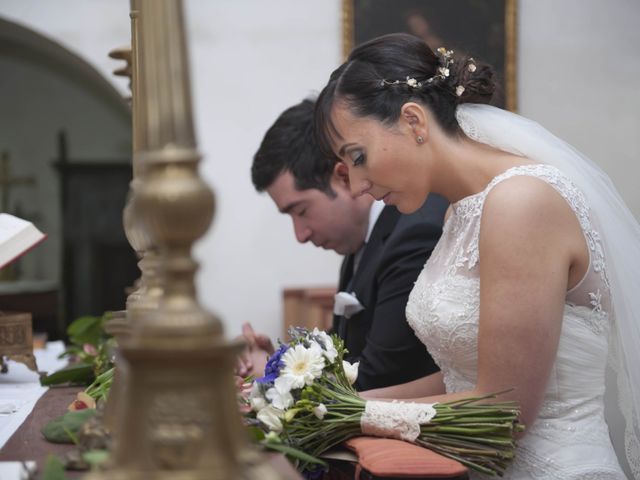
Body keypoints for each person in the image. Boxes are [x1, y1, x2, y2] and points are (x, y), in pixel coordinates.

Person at [314, 33, 639, 479]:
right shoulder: (461, 211)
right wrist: (340, 403)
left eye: (357, 156)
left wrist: (349, 417)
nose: (356, 187)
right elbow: (465, 377)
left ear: (413, 121)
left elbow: (503, 411)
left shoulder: (521, 203)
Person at [244, 98, 448, 392]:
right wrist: (280, 362)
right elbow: (345, 350)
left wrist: (273, 383)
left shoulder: (414, 234)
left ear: (341, 177)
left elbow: (377, 377)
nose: (300, 235)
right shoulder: (365, 239)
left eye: (301, 211)